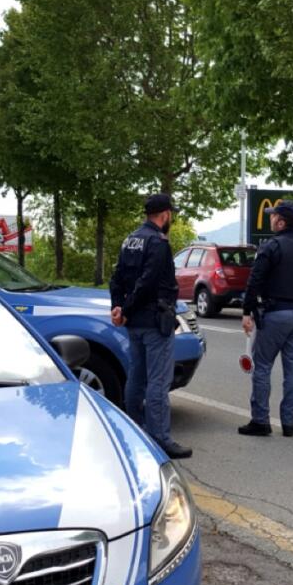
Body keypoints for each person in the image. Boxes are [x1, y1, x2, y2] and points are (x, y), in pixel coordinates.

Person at [108, 194, 192, 459]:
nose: (171, 219)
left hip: (134, 322)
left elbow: (117, 278)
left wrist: (119, 307)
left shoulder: (130, 239)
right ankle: (160, 439)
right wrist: (128, 307)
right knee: (158, 381)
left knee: (137, 376)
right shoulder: (158, 242)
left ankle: (135, 430)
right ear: (165, 214)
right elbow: (148, 282)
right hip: (155, 320)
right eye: (171, 214)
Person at [240, 200, 293, 437]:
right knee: (292, 370)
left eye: (272, 216)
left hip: (275, 314)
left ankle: (260, 421)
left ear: (281, 221)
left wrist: (247, 312)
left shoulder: (271, 247)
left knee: (263, 366)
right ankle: (289, 423)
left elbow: (255, 280)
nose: (270, 219)